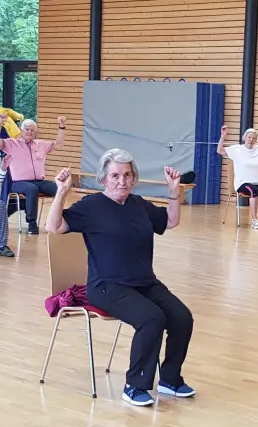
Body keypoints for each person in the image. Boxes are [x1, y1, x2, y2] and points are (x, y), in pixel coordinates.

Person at [47, 150, 194, 407]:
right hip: (106, 286)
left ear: (134, 178)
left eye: (127, 175)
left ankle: (170, 380)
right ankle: (135, 385)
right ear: (103, 179)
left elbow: (170, 221)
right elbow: (55, 227)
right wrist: (61, 192)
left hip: (144, 283)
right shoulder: (91, 206)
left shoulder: (138, 205)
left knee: (182, 317)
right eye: (115, 175)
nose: (121, 181)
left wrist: (174, 191)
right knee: (152, 319)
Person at [0, 115, 65, 236]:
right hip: (18, 183)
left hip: (38, 181)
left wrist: (62, 126)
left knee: (60, 188)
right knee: (32, 189)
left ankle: (54, 220)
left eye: (32, 130)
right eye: (26, 129)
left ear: (35, 132)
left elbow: (58, 143)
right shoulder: (12, 144)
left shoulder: (41, 144)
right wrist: (0, 122)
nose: (29, 132)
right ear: (22, 131)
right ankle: (32, 223)